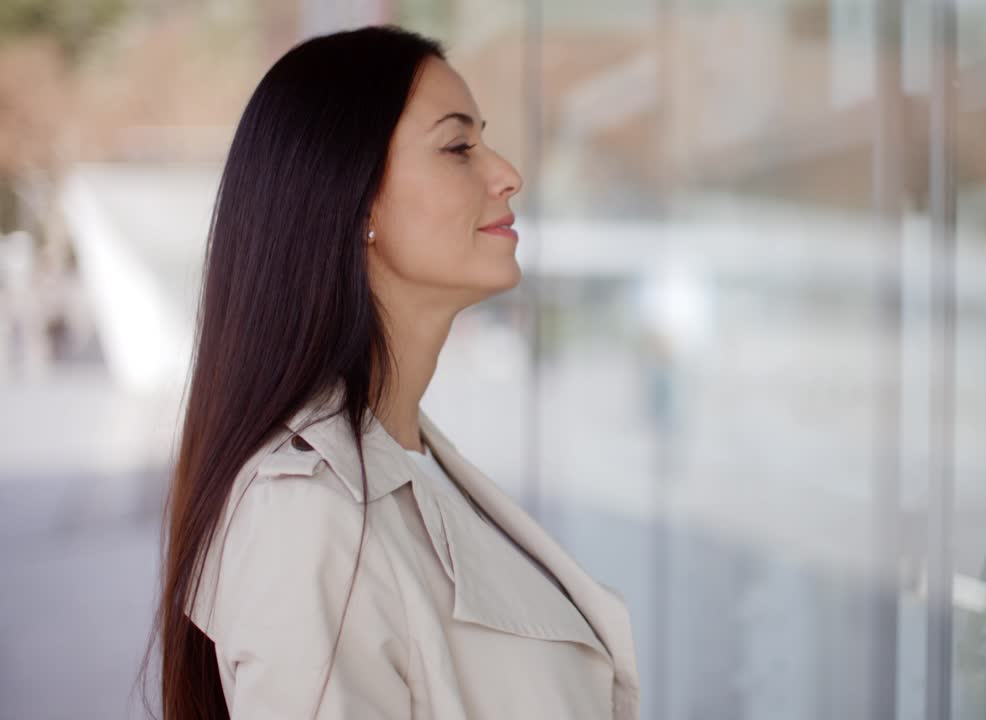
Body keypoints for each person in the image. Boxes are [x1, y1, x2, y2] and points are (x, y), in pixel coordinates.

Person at [150, 25, 639, 719]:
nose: (507, 173)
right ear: (351, 202)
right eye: (458, 146)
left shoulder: (413, 465)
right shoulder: (303, 513)